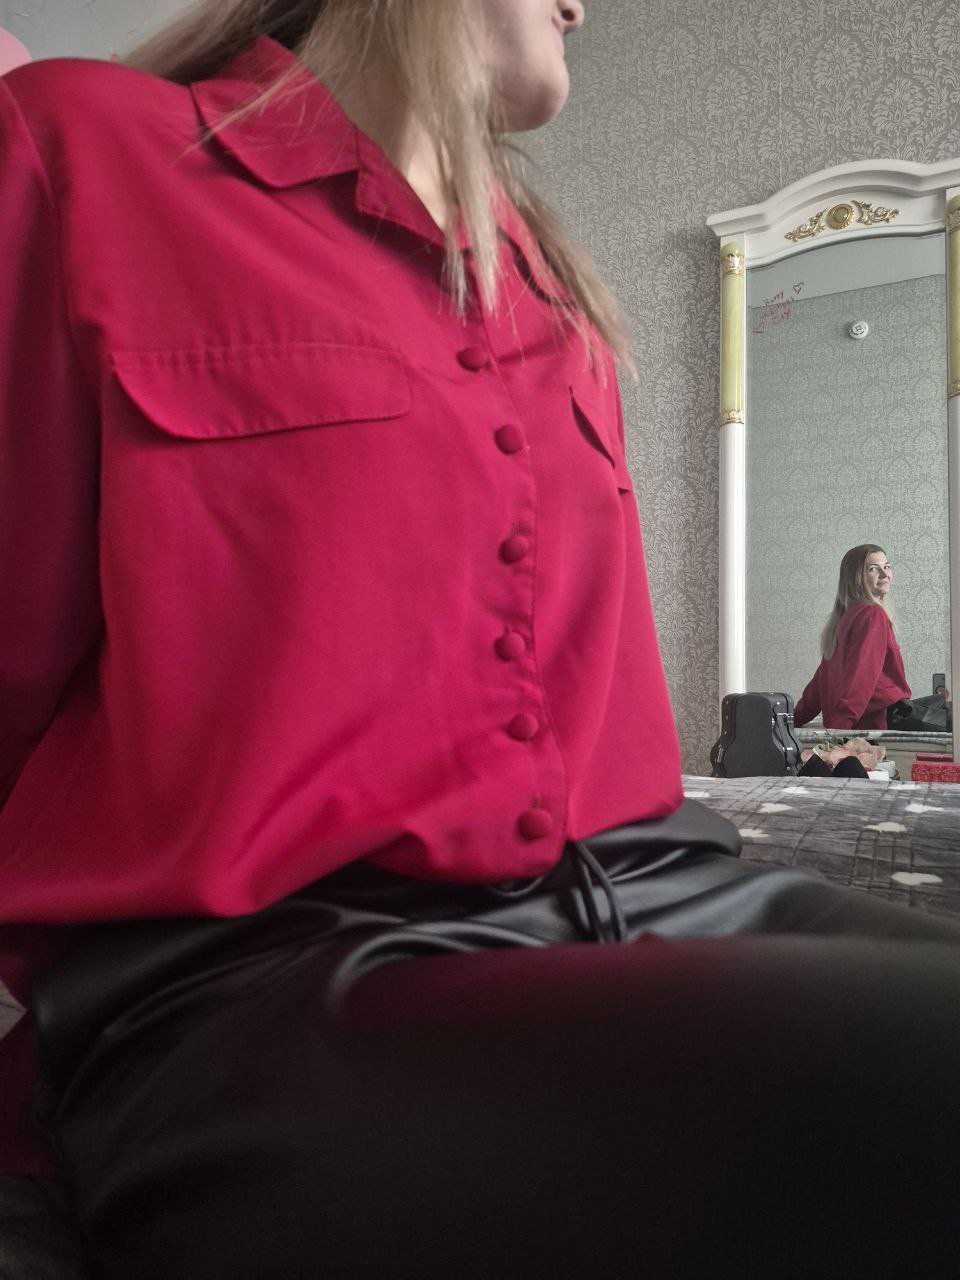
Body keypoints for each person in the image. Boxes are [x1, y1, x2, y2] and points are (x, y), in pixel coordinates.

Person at [2, 5, 960, 1277]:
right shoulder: (79, 149)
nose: (582, 6)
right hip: (282, 972)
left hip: (669, 886)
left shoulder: (555, 291)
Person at [794, 543, 911, 730]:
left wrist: (791, 720)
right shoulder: (873, 615)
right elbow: (861, 677)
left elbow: (819, 685)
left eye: (887, 566)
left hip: (851, 729)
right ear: (856, 577)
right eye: (873, 569)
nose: (885, 574)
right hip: (871, 730)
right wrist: (839, 731)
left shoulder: (844, 619)